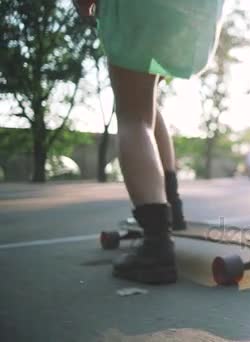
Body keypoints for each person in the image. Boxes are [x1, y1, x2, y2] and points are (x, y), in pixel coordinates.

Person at [75, 0, 225, 284]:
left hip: (141, 9)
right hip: (192, 13)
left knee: (133, 115)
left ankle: (157, 246)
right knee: (145, 104)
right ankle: (172, 208)